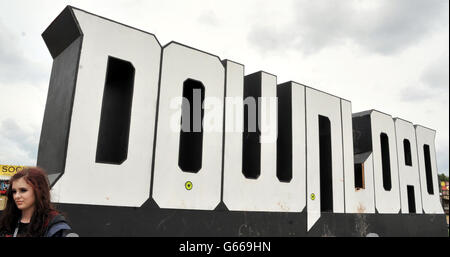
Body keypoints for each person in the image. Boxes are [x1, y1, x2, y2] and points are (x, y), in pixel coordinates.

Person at [0, 167, 77, 237]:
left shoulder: (53, 225)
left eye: (23, 190)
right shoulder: (5, 219)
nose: (16, 196)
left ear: (38, 191)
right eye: (14, 191)